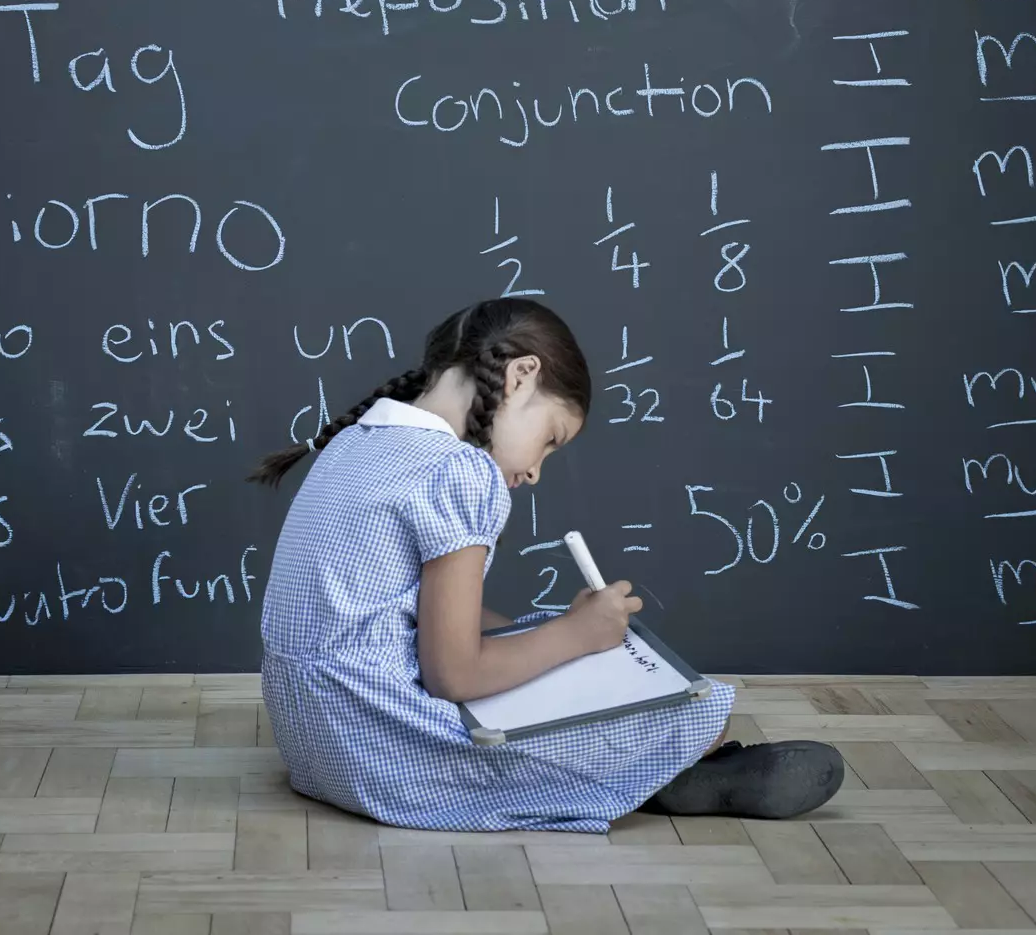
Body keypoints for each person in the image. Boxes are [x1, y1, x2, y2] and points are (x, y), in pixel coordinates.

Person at [247, 298, 844, 832]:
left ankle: (655, 770)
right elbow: (453, 677)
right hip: (383, 752)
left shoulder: (358, 438)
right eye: (552, 439)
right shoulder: (459, 471)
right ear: (521, 374)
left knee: (552, 642)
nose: (535, 471)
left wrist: (553, 636)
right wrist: (574, 636)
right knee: (695, 713)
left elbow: (409, 607)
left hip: (312, 744)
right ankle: (674, 768)